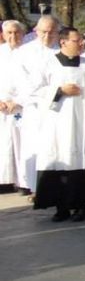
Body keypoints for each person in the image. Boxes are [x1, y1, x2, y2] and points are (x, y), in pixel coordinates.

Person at [32, 27, 85, 222]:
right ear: (64, 42)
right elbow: (34, 91)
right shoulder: (47, 64)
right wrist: (59, 90)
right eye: (77, 41)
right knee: (58, 163)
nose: (81, 44)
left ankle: (80, 206)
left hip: (81, 123)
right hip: (56, 123)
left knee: (80, 164)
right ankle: (61, 207)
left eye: (82, 41)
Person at [16, 15, 61, 194]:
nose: (47, 36)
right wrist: (45, 94)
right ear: (36, 31)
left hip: (57, 107)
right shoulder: (25, 52)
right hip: (34, 108)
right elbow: (23, 82)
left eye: (52, 32)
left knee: (54, 148)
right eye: (44, 32)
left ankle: (55, 187)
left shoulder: (62, 51)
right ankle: (36, 188)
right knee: (34, 147)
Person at [0, 20, 25, 189]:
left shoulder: (29, 54)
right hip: (1, 106)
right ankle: (4, 181)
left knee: (21, 144)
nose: (13, 36)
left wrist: (18, 101)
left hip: (21, 106)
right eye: (9, 33)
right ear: (3, 34)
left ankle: (23, 181)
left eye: (16, 32)